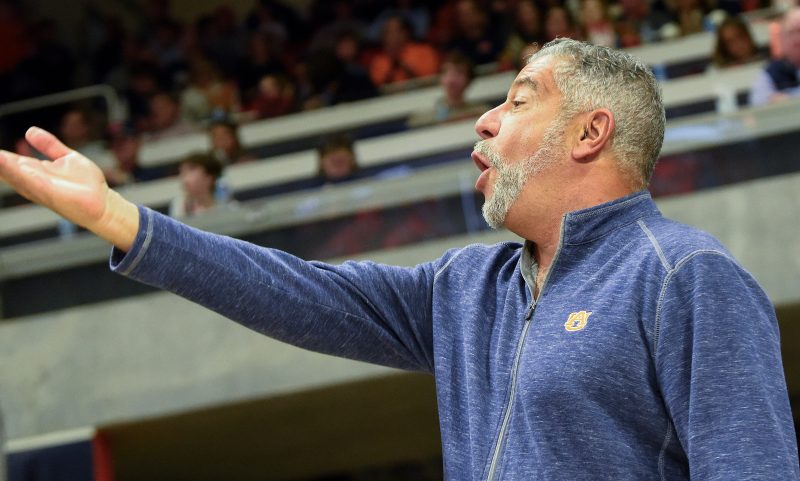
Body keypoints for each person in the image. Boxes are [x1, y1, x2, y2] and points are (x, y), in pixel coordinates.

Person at [0, 39, 797, 479]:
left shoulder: (681, 274)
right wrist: (117, 218)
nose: (484, 120)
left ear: (590, 132)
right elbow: (297, 293)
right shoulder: (467, 289)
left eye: (519, 98)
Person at [407, 51, 490, 128]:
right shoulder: (424, 116)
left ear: (468, 80)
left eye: (459, 73)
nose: (451, 79)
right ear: (440, 78)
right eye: (446, 72)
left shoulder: (481, 112)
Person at [750, 7, 800, 106]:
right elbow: (758, 102)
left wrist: (787, 99)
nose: (797, 37)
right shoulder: (771, 71)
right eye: (791, 32)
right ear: (782, 38)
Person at [168, 152, 225, 218]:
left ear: (209, 177)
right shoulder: (178, 208)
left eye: (191, 170)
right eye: (183, 173)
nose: (184, 178)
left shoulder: (228, 206)